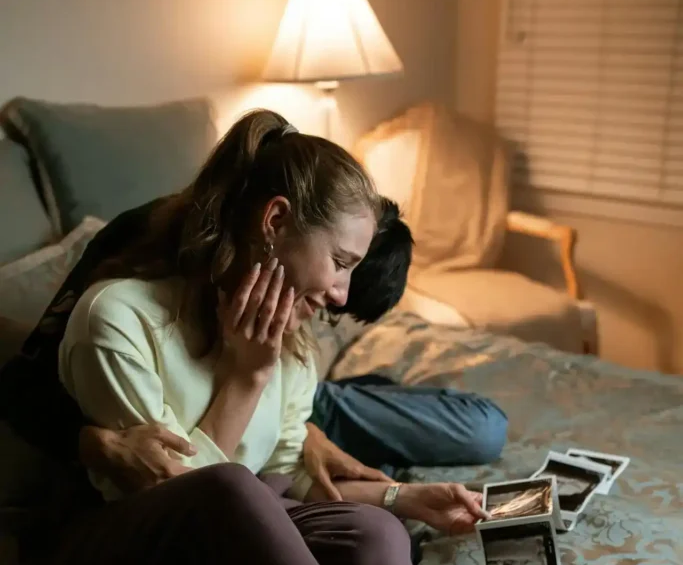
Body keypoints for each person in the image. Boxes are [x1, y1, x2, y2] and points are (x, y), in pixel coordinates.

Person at [20, 108, 663, 565]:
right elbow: (182, 499)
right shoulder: (119, 318)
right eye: (342, 262)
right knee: (229, 496)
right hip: (108, 563)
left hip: (216, 540)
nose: (338, 296)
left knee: (377, 544)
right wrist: (239, 380)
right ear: (274, 221)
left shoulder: (290, 347)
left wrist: (399, 497)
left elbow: (285, 479)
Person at [0, 196, 508, 502]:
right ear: (275, 226)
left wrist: (299, 420)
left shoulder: (315, 260)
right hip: (247, 394)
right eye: (323, 301)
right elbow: (23, 384)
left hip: (295, 394)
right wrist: (97, 445)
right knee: (474, 433)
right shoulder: (134, 265)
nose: (331, 303)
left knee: (486, 427)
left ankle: (336, 410)